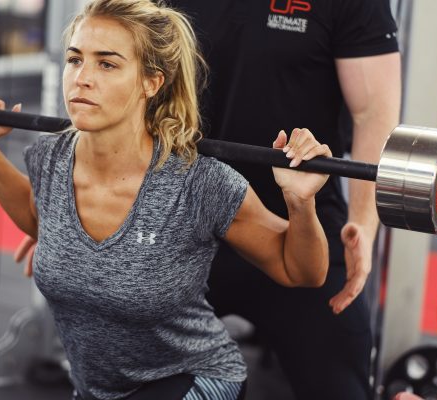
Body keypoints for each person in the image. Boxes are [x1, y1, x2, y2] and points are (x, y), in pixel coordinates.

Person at [0, 0, 334, 399]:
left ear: (151, 82)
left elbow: (301, 271)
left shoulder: (199, 183)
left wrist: (299, 201)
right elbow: (41, 218)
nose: (82, 78)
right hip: (97, 389)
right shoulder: (49, 158)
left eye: (107, 64)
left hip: (193, 375)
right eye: (75, 59)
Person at [159, 1, 401, 399]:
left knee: (340, 389)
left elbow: (372, 113)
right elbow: (125, 85)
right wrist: (79, 204)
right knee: (127, 380)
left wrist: (362, 224)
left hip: (302, 229)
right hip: (181, 225)